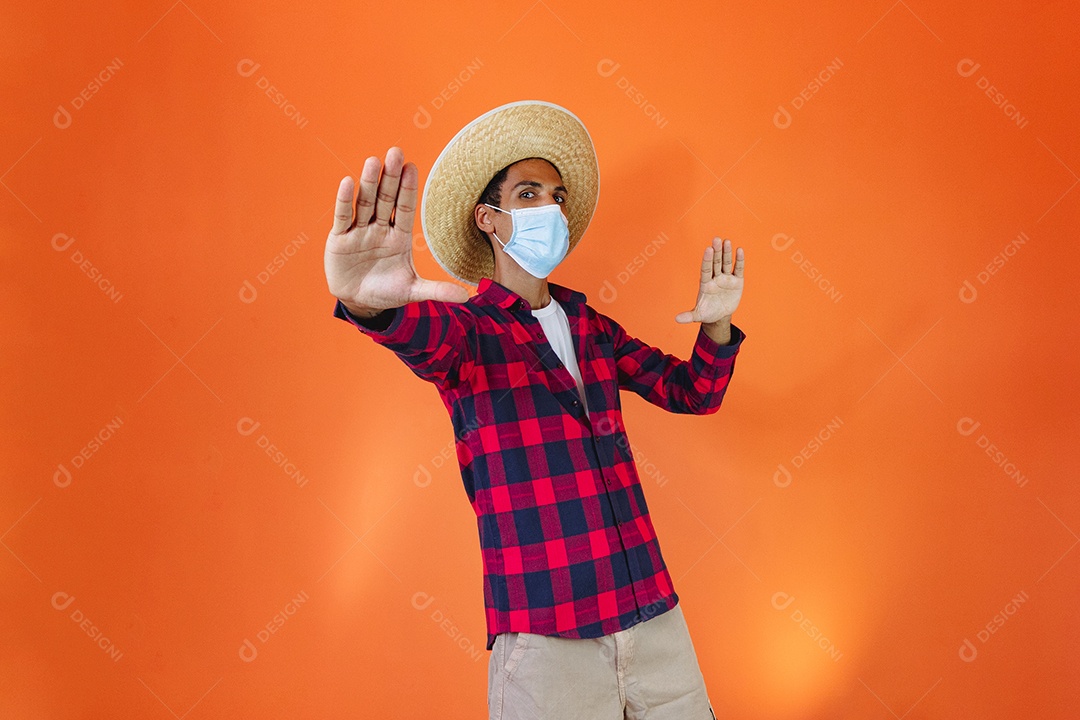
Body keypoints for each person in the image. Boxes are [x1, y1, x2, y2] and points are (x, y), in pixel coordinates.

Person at [324, 100, 746, 720]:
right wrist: (369, 307)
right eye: (528, 194)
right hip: (549, 632)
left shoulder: (589, 325)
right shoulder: (469, 333)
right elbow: (419, 333)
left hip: (651, 612)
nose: (551, 209)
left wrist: (716, 327)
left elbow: (694, 393)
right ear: (488, 219)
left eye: (557, 194)